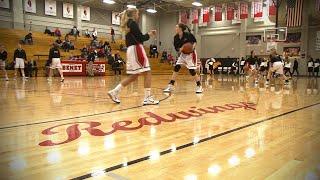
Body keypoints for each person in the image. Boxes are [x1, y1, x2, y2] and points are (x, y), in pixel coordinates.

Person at [107, 8, 159, 105]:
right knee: (147, 72)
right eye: (138, 13)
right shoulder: (133, 23)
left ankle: (114, 91)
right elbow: (141, 38)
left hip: (130, 50)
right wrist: (150, 34)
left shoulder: (128, 23)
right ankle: (147, 98)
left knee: (134, 76)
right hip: (136, 49)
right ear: (134, 14)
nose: (138, 15)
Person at [163, 23, 202, 93]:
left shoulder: (188, 35)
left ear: (180, 28)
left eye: (176, 27)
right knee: (176, 67)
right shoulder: (175, 37)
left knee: (192, 71)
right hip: (183, 54)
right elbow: (177, 48)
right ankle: (171, 85)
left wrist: (192, 47)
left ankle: (199, 86)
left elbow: (195, 41)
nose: (175, 28)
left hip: (191, 54)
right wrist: (180, 49)